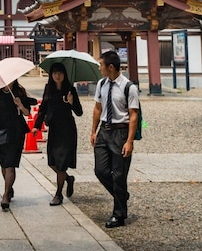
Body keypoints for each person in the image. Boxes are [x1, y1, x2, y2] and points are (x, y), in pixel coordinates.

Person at [91, 50, 140, 228]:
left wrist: (129, 141)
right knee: (100, 170)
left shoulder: (129, 87)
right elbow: (97, 108)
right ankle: (121, 195)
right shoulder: (101, 84)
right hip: (104, 130)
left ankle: (119, 215)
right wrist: (93, 131)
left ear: (110, 67)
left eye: (101, 65)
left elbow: (133, 115)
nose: (100, 68)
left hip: (121, 131)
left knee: (119, 175)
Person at [0, 80, 37, 211]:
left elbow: (27, 113)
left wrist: (20, 104)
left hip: (16, 132)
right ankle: (9, 188)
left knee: (10, 165)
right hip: (1, 132)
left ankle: (5, 195)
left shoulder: (19, 93)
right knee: (4, 165)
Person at [34, 62, 83, 206]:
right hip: (54, 129)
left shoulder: (70, 89)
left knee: (61, 164)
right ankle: (68, 179)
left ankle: (58, 194)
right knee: (52, 162)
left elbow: (79, 112)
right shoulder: (48, 89)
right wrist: (37, 126)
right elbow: (43, 108)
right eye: (54, 72)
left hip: (67, 130)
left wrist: (72, 102)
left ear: (64, 74)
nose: (57, 75)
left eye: (60, 72)